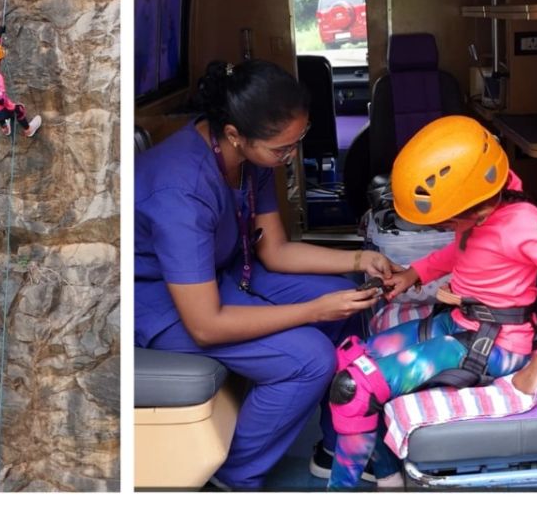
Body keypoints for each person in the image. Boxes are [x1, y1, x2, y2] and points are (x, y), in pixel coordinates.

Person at [133, 61, 396, 489]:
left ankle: (336, 446)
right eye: (282, 149)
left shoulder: (250, 157)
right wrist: (313, 310)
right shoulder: (181, 188)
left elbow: (274, 251)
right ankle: (233, 474)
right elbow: (205, 324)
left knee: (346, 303)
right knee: (311, 359)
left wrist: (358, 260)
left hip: (224, 272)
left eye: (297, 142)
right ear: (235, 134)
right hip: (162, 304)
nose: (289, 156)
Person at [326, 117, 537, 489]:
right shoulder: (479, 204)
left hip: (496, 345)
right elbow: (463, 250)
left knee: (354, 387)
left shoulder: (523, 224)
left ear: (474, 209)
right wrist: (414, 274)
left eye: (443, 222)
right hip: (458, 321)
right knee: (349, 360)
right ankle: (387, 476)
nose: (441, 228)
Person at [0, 36, 40, 138]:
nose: (0, 61)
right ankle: (28, 130)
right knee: (19, 110)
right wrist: (13, 107)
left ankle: (5, 128)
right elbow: (0, 99)